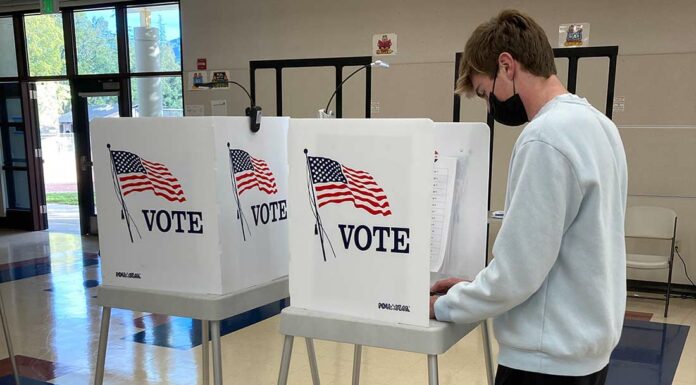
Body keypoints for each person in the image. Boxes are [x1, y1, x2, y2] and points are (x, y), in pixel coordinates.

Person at [430, 9, 628, 385]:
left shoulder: (545, 137)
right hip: (587, 355)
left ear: (507, 65)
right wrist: (473, 286)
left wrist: (445, 305)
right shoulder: (602, 127)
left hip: (543, 363)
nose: (492, 107)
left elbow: (517, 274)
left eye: (487, 93)